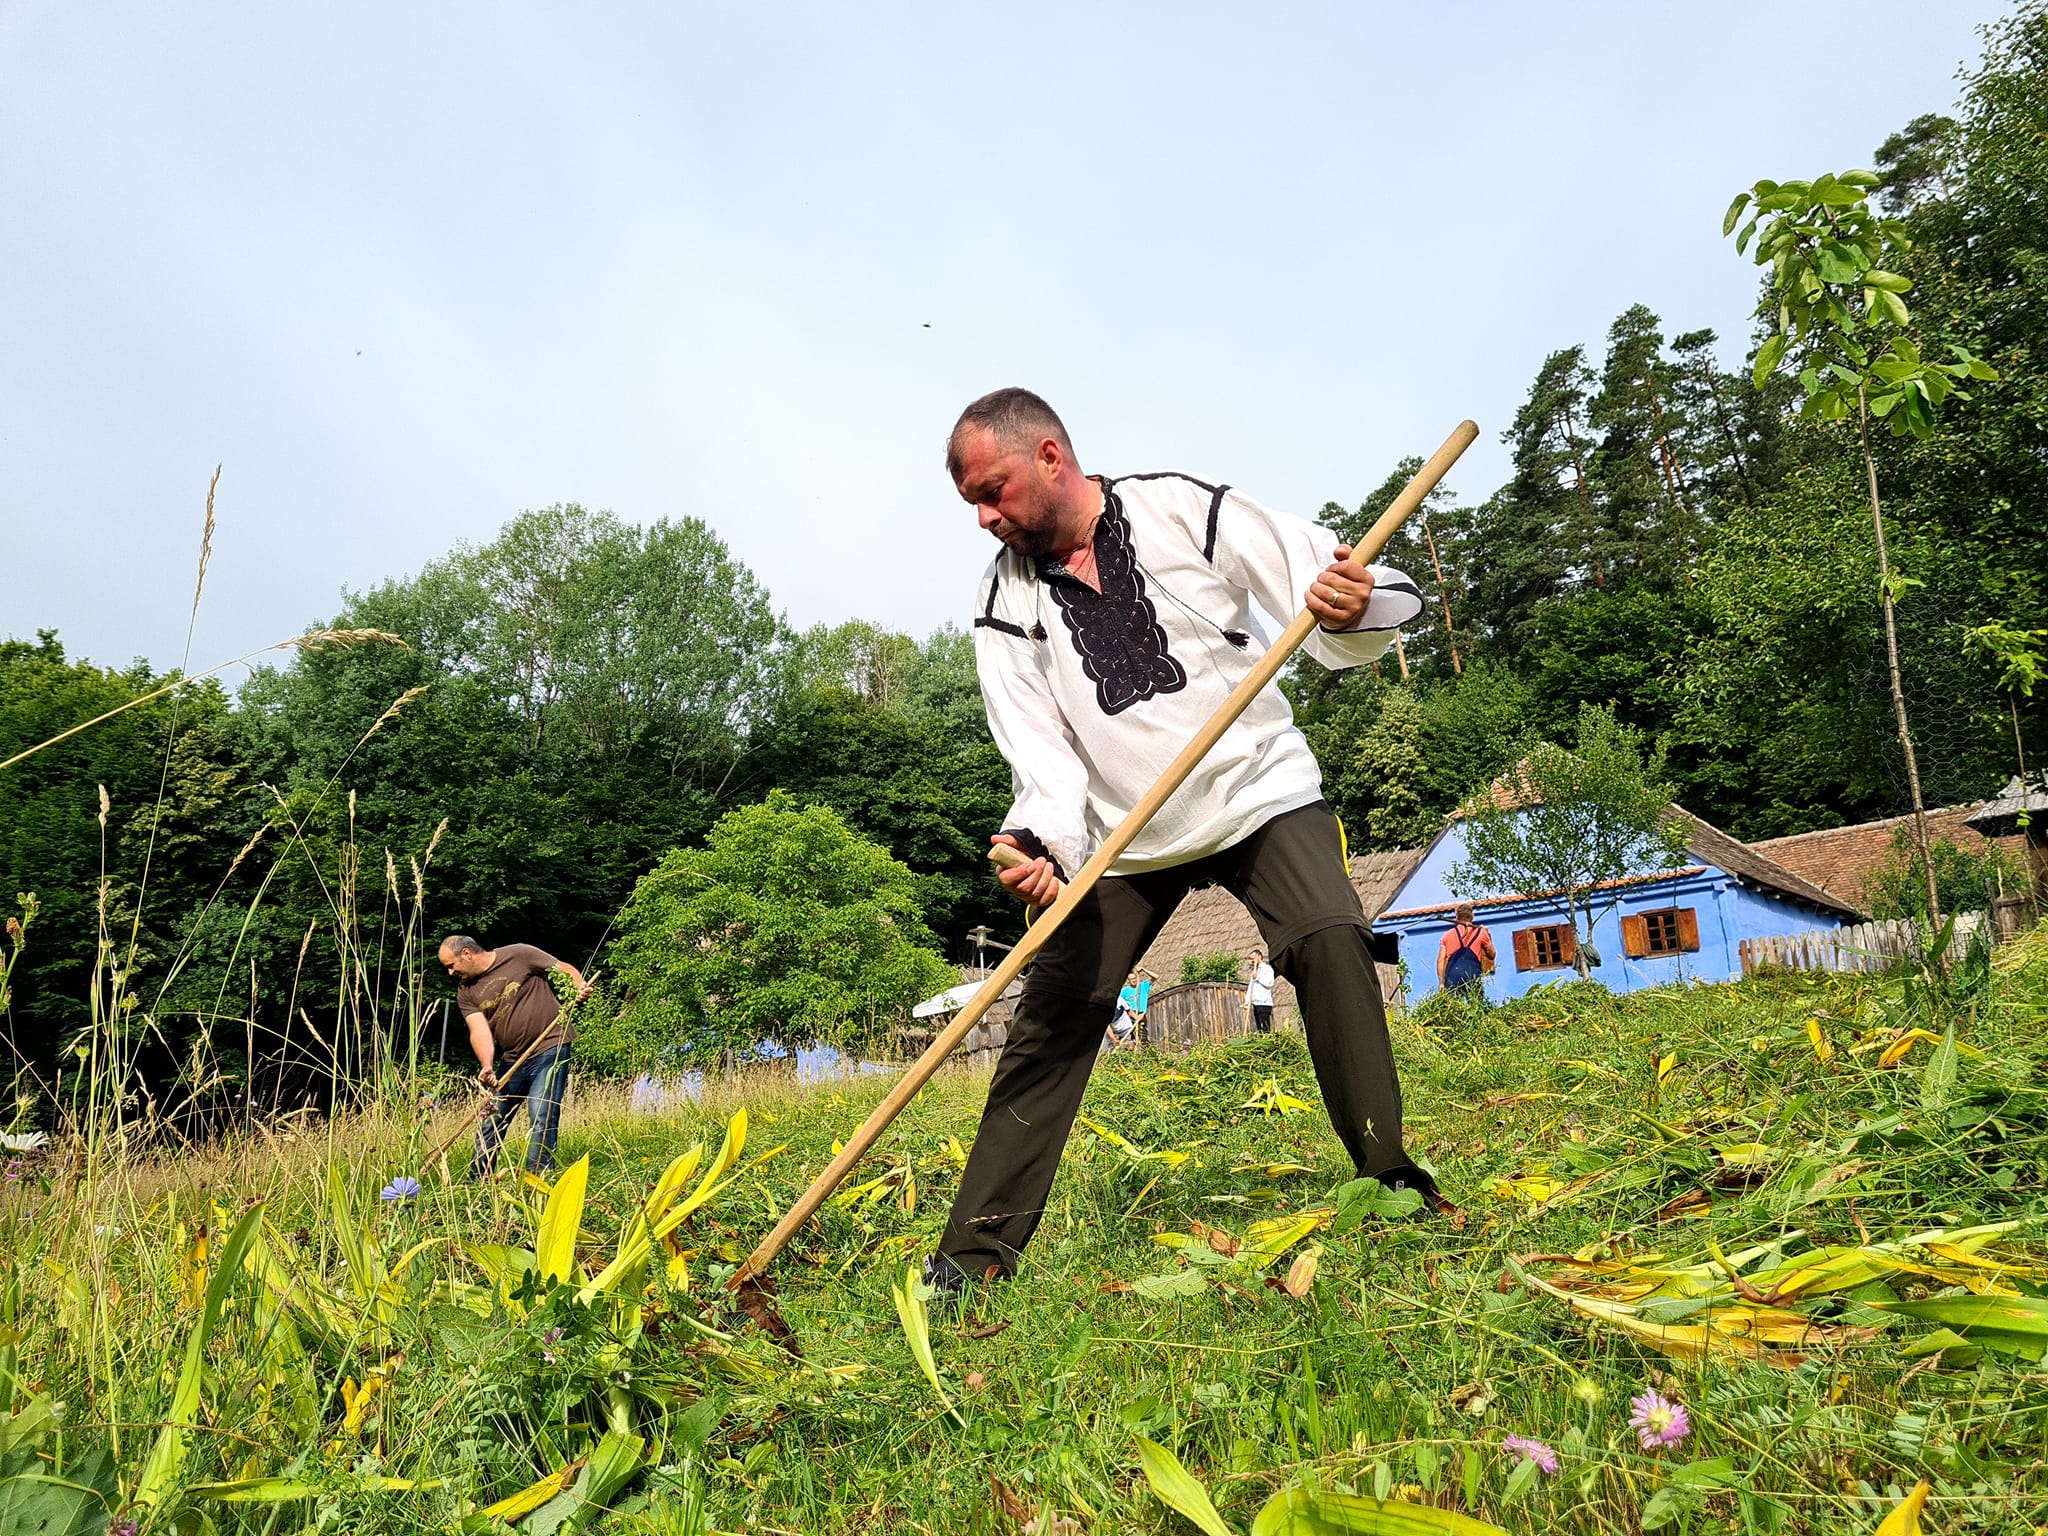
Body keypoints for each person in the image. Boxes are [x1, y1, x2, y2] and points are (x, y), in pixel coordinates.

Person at [928, 388, 1447, 1300]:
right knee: (1051, 1019)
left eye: (995, 490)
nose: (984, 518)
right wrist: (1038, 843)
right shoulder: (1002, 599)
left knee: (1328, 936)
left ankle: (1391, 1181)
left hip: (1256, 788)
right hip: (1128, 838)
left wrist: (1348, 600)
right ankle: (969, 1267)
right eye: (971, 501)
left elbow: (1321, 575)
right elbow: (1042, 756)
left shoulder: (1178, 508)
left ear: (1050, 457)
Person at [439, 935, 591, 1175]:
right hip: (513, 1059)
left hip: (550, 1047)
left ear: (466, 953)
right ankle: (478, 1183)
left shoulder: (519, 954)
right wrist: (487, 1066)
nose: (450, 972)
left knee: (542, 1114)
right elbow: (479, 1031)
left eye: (451, 965)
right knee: (491, 1119)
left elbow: (563, 969)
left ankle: (537, 1179)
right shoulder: (465, 992)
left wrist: (578, 987)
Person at [1436, 903, 1496, 998]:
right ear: (1472, 917)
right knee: (1475, 1006)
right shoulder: (1481, 933)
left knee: (1452, 1008)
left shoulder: (1447, 935)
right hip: (1472, 975)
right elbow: (1492, 954)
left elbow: (1440, 960)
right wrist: (1487, 934)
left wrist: (1441, 983)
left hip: (1453, 975)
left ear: (1456, 917)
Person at [1107, 968, 1152, 1049]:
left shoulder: (1142, 986)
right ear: (1128, 980)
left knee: (1143, 1034)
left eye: (1134, 978)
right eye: (1131, 979)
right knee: (1132, 1037)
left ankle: (1144, 1050)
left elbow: (1156, 977)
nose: (1133, 980)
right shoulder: (1124, 991)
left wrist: (1144, 970)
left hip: (1140, 1013)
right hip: (1130, 1016)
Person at [1246, 947, 1276, 1033]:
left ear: (1259, 957)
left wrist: (1258, 978)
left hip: (1264, 1003)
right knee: (1259, 1028)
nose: (1252, 961)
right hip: (1256, 1003)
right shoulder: (1254, 971)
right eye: (1251, 959)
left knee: (1265, 1027)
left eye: (1253, 959)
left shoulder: (1267, 969)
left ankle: (1268, 1044)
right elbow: (1251, 986)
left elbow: (1269, 983)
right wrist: (1247, 1001)